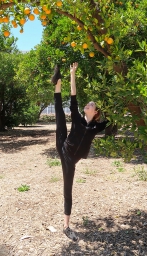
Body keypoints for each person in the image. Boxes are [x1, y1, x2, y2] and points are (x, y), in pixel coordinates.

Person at [51, 62, 109, 241]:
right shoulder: (77, 117)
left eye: (91, 104)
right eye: (88, 103)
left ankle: (65, 225)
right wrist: (72, 74)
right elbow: (74, 94)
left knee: (67, 189)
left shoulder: (96, 127)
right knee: (60, 114)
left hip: (70, 159)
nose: (88, 104)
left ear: (96, 111)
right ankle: (58, 81)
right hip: (64, 146)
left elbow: (111, 119)